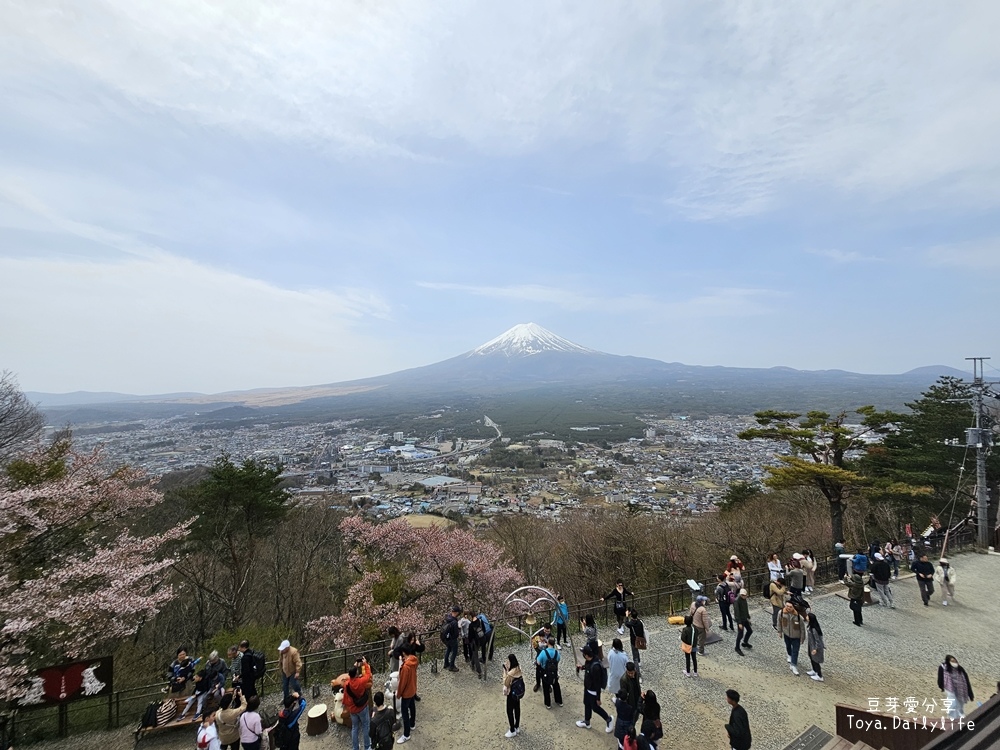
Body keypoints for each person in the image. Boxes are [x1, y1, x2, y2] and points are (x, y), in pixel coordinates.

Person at [576, 645, 613, 732]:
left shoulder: (596, 667)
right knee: (586, 703)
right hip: (587, 687)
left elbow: (597, 684)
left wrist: (598, 698)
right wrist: (582, 667)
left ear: (586, 655)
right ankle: (587, 721)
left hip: (593, 691)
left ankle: (608, 719)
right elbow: (587, 667)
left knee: (595, 708)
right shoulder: (589, 661)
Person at [344, 656, 373, 750]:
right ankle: (367, 746)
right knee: (365, 725)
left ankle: (355, 748)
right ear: (356, 674)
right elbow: (368, 675)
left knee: (354, 728)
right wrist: (365, 664)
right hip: (362, 707)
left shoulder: (347, 684)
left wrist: (355, 667)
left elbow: (345, 697)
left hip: (353, 709)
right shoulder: (361, 681)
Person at [937, 655, 974, 720]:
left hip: (961, 688)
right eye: (952, 661)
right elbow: (940, 677)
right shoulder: (943, 667)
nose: (954, 662)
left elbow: (966, 680)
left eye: (955, 661)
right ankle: (952, 718)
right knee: (952, 703)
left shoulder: (960, 669)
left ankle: (960, 718)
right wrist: (941, 686)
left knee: (960, 704)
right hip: (949, 687)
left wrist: (970, 693)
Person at [396, 644, 418, 744]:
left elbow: (402, 682)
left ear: (404, 653)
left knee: (405, 713)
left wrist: (399, 693)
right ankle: (412, 724)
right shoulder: (414, 660)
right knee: (412, 707)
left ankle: (406, 734)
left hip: (406, 692)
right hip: (413, 688)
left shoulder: (406, 667)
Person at [778, 602, 805, 676]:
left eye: (790, 606)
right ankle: (789, 655)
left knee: (795, 651)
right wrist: (779, 631)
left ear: (793, 607)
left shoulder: (798, 617)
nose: (788, 608)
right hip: (786, 634)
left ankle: (794, 665)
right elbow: (779, 622)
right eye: (787, 606)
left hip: (796, 636)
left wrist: (802, 638)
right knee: (788, 646)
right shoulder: (781, 613)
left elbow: (802, 628)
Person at [536, 637, 562, 708]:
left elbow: (538, 662)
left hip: (545, 672)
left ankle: (548, 704)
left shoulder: (543, 652)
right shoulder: (557, 653)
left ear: (547, 643)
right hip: (554, 672)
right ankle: (559, 701)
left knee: (546, 688)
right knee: (556, 686)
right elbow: (558, 660)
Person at [502, 654, 524, 738]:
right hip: (518, 692)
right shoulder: (518, 668)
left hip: (511, 694)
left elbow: (506, 683)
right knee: (517, 709)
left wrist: (505, 672)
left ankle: (512, 729)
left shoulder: (510, 674)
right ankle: (517, 726)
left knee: (509, 711)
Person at [623, 608, 647, 680]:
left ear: (631, 616)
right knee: (637, 651)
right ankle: (639, 662)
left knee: (635, 658)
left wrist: (627, 615)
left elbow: (626, 623)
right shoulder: (640, 622)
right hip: (640, 640)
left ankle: (638, 675)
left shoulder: (631, 624)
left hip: (634, 641)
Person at [733, 588, 753, 656]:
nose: (745, 596)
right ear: (741, 595)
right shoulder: (737, 601)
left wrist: (748, 616)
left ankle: (745, 642)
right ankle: (737, 647)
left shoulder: (744, 599)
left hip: (745, 618)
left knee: (750, 631)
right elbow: (737, 612)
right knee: (740, 634)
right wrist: (739, 623)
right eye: (744, 595)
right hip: (741, 619)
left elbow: (745, 608)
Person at [805, 613, 825, 682]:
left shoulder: (814, 629)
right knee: (811, 657)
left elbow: (818, 640)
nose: (806, 617)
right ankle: (814, 670)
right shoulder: (810, 626)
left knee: (816, 660)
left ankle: (819, 675)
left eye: (807, 616)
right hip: (811, 645)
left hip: (814, 647)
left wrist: (816, 649)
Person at [441, 606, 461, 672]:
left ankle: (446, 663)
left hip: (446, 638)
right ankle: (452, 666)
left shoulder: (448, 618)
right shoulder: (454, 622)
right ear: (457, 613)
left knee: (448, 649)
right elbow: (456, 634)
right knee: (454, 652)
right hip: (452, 639)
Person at [467, 610, 484, 678]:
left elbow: (470, 636)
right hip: (480, 639)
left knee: (475, 655)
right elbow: (483, 629)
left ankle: (479, 671)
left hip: (474, 642)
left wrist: (469, 641)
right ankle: (472, 663)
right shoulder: (480, 621)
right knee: (475, 653)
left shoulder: (471, 625)